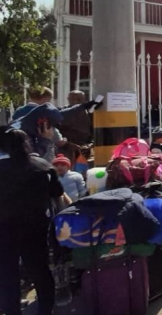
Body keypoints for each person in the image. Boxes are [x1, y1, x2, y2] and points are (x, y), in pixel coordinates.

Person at [0, 126, 64, 315]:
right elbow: (57, 193)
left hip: (3, 228)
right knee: (40, 270)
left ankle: (12, 310)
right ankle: (46, 309)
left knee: (7, 272)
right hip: (35, 227)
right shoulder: (42, 166)